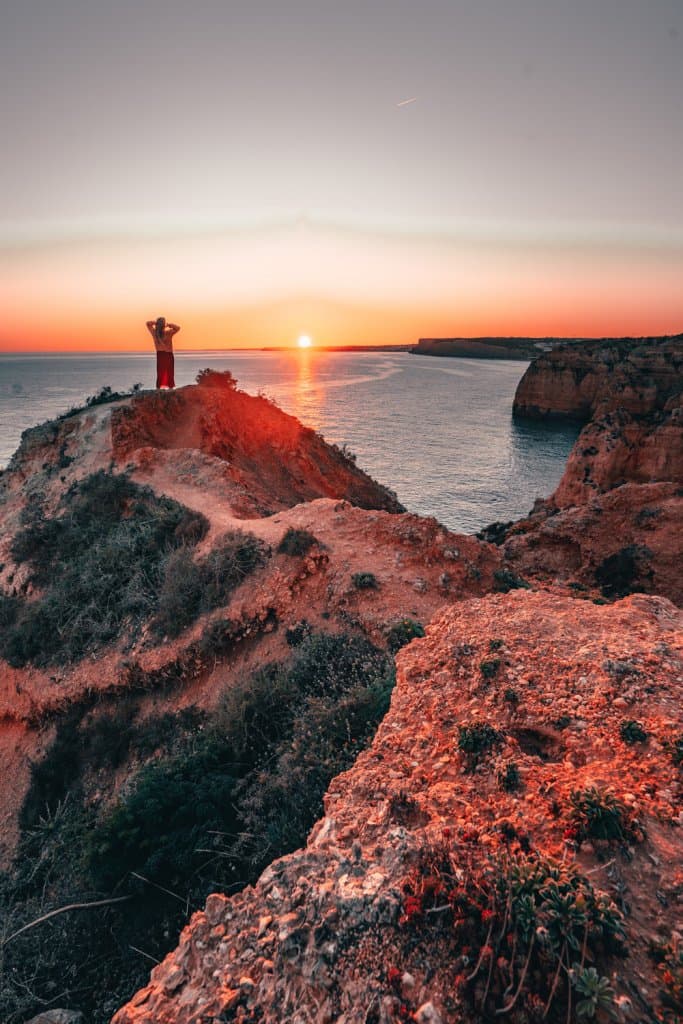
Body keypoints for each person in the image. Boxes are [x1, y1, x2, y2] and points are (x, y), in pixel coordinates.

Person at [146, 316, 180, 389]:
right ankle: (170, 388)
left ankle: (158, 388)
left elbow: (148, 324)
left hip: (161, 355)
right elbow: (178, 328)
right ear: (164, 324)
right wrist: (169, 325)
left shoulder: (155, 333)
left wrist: (156, 323)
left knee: (161, 372)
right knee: (169, 372)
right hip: (168, 354)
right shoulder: (168, 333)